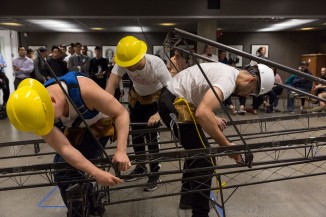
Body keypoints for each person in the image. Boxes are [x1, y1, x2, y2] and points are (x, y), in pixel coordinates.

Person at [158, 62, 274, 217]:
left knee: (196, 153)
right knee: (205, 161)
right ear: (251, 80)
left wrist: (212, 116)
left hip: (174, 101)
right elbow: (201, 113)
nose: (246, 95)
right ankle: (200, 214)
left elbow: (199, 95)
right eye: (251, 92)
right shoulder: (227, 81)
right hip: (176, 106)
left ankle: (187, 199)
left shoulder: (228, 72)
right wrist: (227, 146)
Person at [6, 72, 131, 216]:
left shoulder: (85, 91)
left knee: (68, 172)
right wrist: (96, 173)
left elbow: (121, 113)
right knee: (63, 170)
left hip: (97, 126)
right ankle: (88, 207)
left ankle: (89, 207)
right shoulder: (38, 114)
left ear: (52, 100)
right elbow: (65, 148)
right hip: (73, 130)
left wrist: (121, 150)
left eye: (50, 119)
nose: (50, 124)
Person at [106, 36, 172, 191]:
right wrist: (105, 109)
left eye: (131, 65)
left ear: (140, 57)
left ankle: (155, 174)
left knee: (151, 139)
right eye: (125, 65)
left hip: (156, 100)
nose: (128, 68)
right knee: (136, 135)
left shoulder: (156, 64)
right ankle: (141, 167)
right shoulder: (124, 62)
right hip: (136, 99)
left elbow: (171, 90)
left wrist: (158, 114)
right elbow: (112, 84)